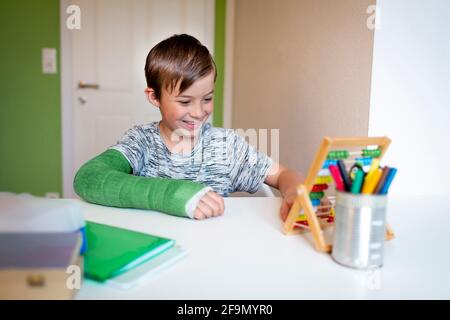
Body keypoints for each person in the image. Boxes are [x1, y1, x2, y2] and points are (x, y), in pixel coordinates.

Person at [74, 34, 304, 221]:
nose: (198, 112)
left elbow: (283, 174)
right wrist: (171, 194)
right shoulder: (141, 141)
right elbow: (88, 178)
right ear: (154, 97)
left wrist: (295, 192)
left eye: (207, 98)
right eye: (185, 101)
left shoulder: (226, 146)